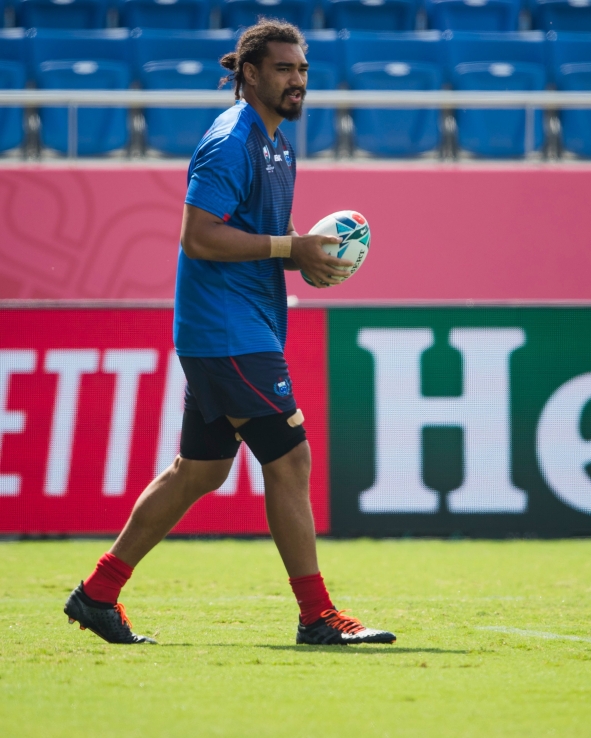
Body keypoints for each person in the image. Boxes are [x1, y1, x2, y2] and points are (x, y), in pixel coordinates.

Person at [63, 20, 395, 647]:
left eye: (302, 70)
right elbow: (199, 235)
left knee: (200, 471)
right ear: (248, 73)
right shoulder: (230, 139)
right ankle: (318, 616)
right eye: (283, 69)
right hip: (228, 331)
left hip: (239, 327)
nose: (297, 80)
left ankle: (97, 594)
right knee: (290, 460)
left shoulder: (277, 144)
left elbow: (261, 231)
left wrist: (302, 256)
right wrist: (286, 245)